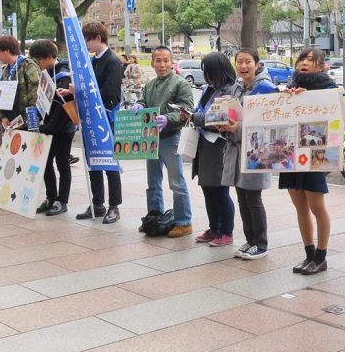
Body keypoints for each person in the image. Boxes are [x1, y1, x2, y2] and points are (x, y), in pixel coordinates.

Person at [279, 48, 337, 275]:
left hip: (315, 155)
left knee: (316, 206)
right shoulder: (289, 86)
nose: (304, 63)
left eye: (311, 60)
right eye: (302, 59)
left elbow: (332, 119)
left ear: (322, 66)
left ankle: (321, 256)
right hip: (291, 155)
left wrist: (308, 98)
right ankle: (309, 254)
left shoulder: (328, 88)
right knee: (299, 205)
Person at [218, 49, 278, 260]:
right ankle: (250, 240)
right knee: (242, 197)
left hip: (256, 152)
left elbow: (269, 124)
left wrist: (238, 128)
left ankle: (261, 244)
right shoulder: (236, 88)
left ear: (257, 64)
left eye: (248, 62)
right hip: (236, 149)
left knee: (253, 198)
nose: (243, 66)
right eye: (239, 62)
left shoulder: (267, 89)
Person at [132, 46, 193, 237]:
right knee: (153, 181)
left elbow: (186, 110)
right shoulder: (151, 84)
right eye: (158, 60)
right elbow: (144, 100)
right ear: (152, 63)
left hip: (171, 137)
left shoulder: (180, 84)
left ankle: (184, 222)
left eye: (166, 60)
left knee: (176, 182)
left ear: (172, 62)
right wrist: (139, 104)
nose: (162, 64)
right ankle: (154, 216)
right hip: (151, 139)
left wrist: (169, 119)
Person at [68, 22, 123, 224]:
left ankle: (114, 206)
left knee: (110, 163)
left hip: (107, 118)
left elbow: (109, 92)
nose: (86, 44)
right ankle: (98, 203)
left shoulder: (113, 61)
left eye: (87, 40)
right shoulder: (93, 61)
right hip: (92, 118)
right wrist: (74, 91)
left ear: (98, 38)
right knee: (94, 163)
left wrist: (81, 91)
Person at [182, 52, 236, 247]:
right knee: (207, 189)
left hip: (219, 147)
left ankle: (226, 232)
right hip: (204, 145)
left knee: (220, 191)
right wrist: (191, 114)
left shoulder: (229, 91)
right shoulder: (209, 89)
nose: (206, 75)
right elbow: (202, 112)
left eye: (209, 71)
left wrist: (194, 118)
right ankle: (214, 227)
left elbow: (219, 119)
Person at [30, 40, 75, 216]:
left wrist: (47, 128)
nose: (37, 64)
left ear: (49, 57)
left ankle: (62, 201)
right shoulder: (47, 73)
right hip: (49, 127)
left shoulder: (63, 76)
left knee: (62, 164)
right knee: (46, 162)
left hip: (64, 129)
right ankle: (51, 197)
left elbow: (63, 108)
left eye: (39, 60)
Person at [0, 35, 41, 130]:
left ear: (6, 50)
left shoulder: (28, 66)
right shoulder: (5, 71)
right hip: (10, 123)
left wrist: (29, 121)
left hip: (26, 123)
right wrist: (3, 116)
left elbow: (35, 94)